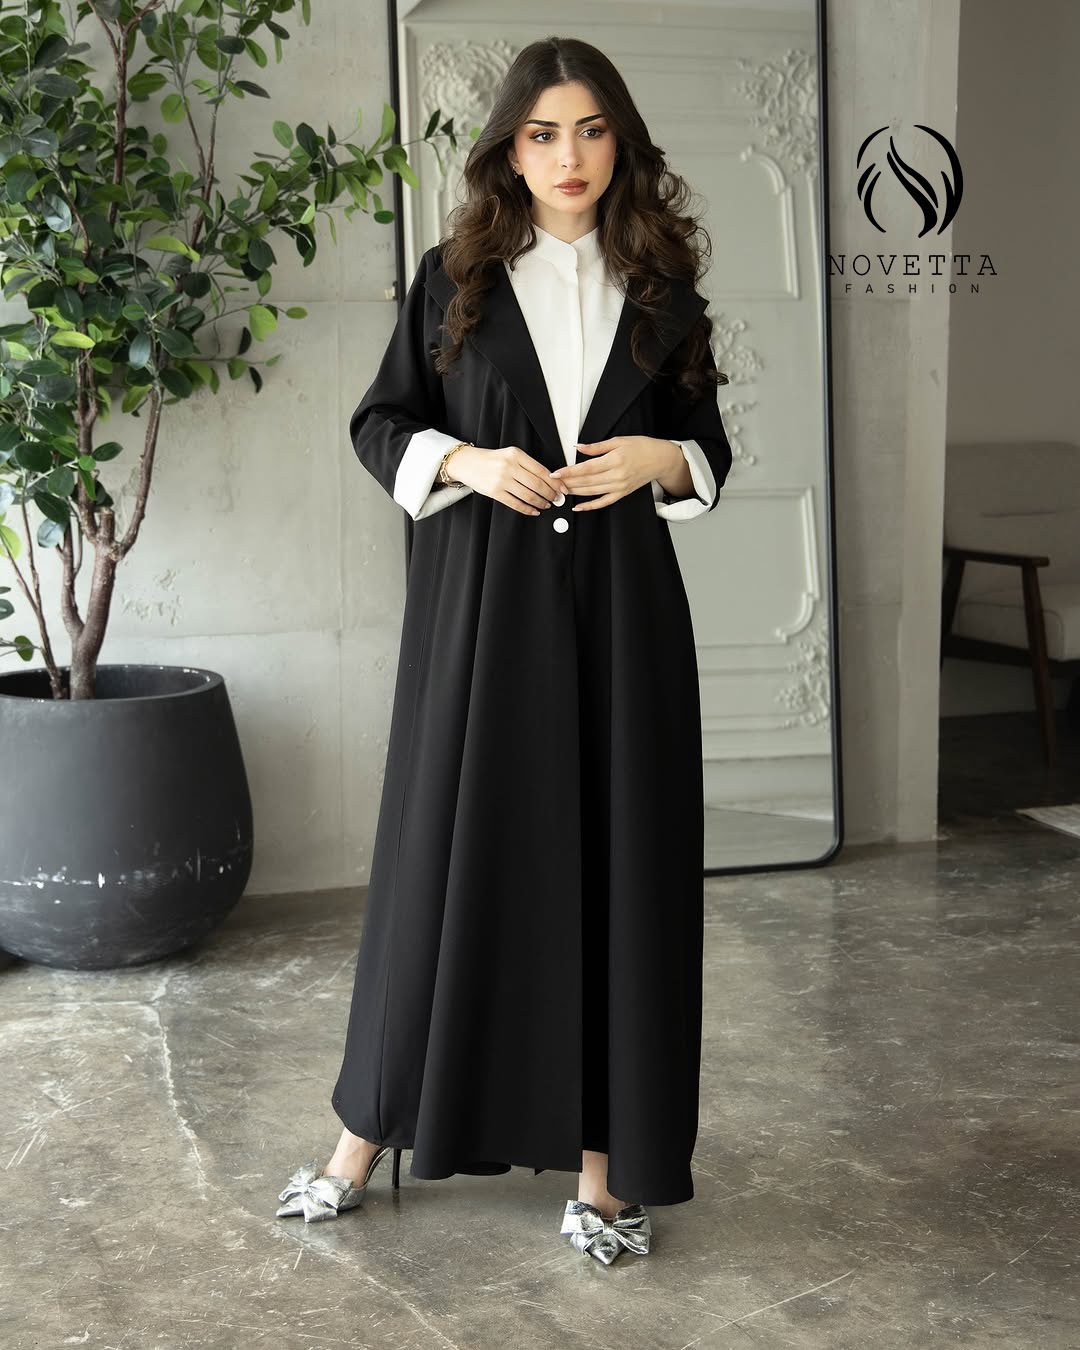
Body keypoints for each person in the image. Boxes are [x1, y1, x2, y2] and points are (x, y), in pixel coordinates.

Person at [276, 35, 733, 1266]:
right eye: (542, 134)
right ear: (509, 149)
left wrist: (666, 460)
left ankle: (605, 1177)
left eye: (590, 130)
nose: (568, 156)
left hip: (625, 623)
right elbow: (382, 423)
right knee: (439, 867)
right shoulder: (456, 277)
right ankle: (360, 1141)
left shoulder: (664, 287)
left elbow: (708, 449)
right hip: (479, 618)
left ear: (620, 141)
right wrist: (468, 463)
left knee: (620, 877)